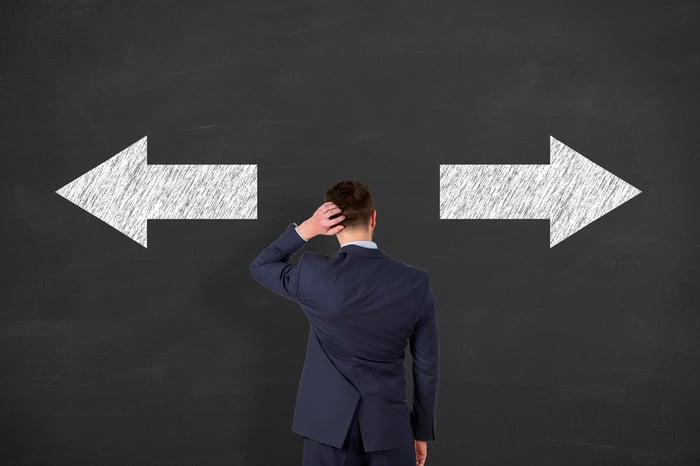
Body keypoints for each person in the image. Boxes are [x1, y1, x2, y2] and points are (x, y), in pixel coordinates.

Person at [249, 180, 439, 466]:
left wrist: (308, 228)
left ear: (334, 225)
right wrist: (421, 431)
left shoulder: (314, 275)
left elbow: (261, 266)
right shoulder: (415, 283)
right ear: (374, 218)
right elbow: (426, 368)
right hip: (390, 431)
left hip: (326, 431)